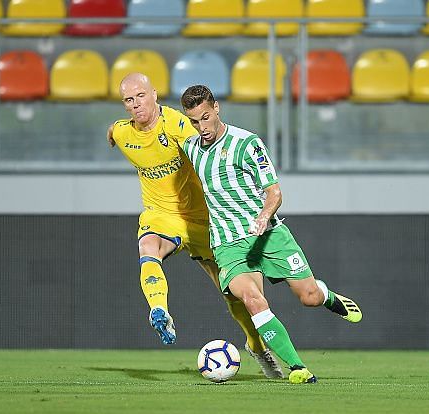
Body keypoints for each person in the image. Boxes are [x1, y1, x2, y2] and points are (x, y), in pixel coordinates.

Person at [180, 84, 363, 384]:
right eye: (194, 122)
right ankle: (297, 367)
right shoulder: (190, 148)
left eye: (205, 118)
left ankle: (326, 295)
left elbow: (274, 193)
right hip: (228, 244)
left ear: (216, 109)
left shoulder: (247, 143)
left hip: (268, 235)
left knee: (309, 296)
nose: (202, 128)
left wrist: (264, 217)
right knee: (252, 299)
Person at [107, 73, 284, 378]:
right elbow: (113, 132)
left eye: (141, 96)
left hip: (205, 220)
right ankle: (159, 310)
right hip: (162, 215)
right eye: (128, 100)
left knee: (237, 294)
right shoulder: (124, 133)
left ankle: (256, 346)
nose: (136, 105)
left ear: (154, 94)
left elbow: (212, 142)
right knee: (148, 246)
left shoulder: (177, 125)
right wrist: (111, 134)